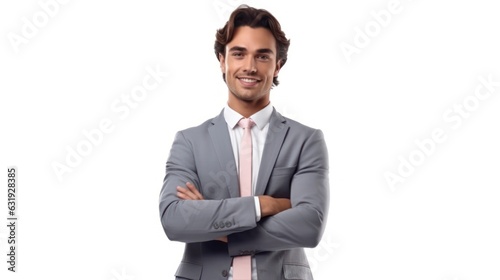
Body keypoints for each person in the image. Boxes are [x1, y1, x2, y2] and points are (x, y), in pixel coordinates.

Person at [159, 5, 329, 280]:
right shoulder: (189, 142)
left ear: (278, 65)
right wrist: (264, 205)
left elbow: (309, 226)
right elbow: (175, 220)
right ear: (222, 60)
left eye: (262, 56)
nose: (249, 66)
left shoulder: (305, 140)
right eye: (238, 53)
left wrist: (213, 224)